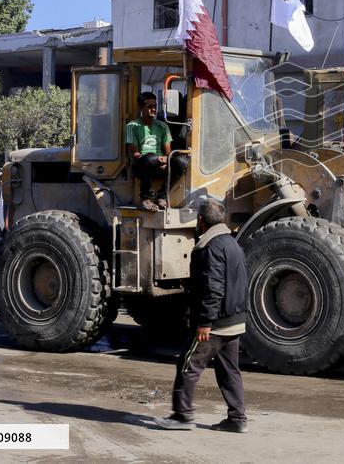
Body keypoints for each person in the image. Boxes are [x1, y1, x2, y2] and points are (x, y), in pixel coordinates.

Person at [156, 198, 249, 433]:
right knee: (230, 371)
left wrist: (205, 322)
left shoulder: (211, 247)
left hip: (215, 323)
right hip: (234, 320)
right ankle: (237, 419)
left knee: (188, 365)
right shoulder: (232, 243)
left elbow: (213, 288)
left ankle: (182, 416)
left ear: (200, 221)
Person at [126, 92, 186, 211]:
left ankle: (162, 196)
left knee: (181, 162)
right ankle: (145, 198)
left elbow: (168, 152)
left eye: (155, 106)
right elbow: (135, 154)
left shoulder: (163, 126)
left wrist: (166, 160)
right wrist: (155, 159)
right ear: (141, 108)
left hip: (159, 163)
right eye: (149, 106)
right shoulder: (132, 126)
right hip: (141, 166)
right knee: (150, 158)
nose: (153, 109)